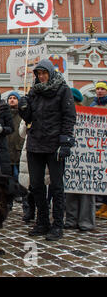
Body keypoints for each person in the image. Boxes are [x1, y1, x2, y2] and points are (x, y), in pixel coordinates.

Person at [18, 59, 76, 241]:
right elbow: (28, 118)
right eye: (38, 74)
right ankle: (42, 221)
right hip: (35, 143)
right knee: (36, 185)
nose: (41, 77)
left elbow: (69, 116)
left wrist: (65, 141)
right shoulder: (34, 91)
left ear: (50, 73)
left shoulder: (62, 89)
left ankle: (57, 224)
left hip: (54, 144)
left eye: (44, 73)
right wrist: (23, 107)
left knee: (57, 186)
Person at [65, 87, 95, 231]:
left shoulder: (88, 114)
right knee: (70, 188)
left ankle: (86, 220)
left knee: (86, 191)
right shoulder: (63, 113)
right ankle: (71, 219)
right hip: (70, 156)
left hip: (88, 158)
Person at [90, 82, 107, 219]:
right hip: (96, 145)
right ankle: (103, 205)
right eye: (98, 89)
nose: (100, 91)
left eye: (102, 89)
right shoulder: (92, 105)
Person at [6, 91, 25, 181]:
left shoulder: (23, 114)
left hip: (19, 149)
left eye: (14, 98)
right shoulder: (5, 114)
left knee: (19, 176)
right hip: (8, 149)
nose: (12, 100)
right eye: (10, 98)